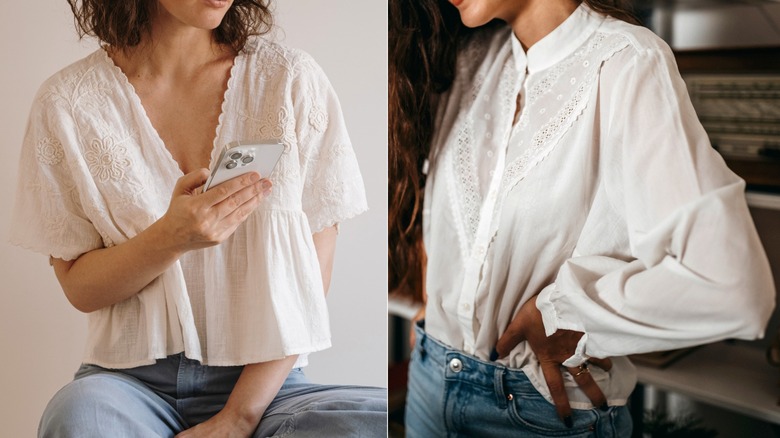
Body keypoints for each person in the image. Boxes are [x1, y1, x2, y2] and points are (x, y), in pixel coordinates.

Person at [389, 0, 776, 436]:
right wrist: (432, 315)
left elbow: (731, 287)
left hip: (538, 413)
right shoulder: (466, 60)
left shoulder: (627, 62)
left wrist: (566, 314)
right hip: (428, 381)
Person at [10, 0, 387, 436]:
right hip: (127, 385)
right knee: (76, 419)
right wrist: (170, 238)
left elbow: (310, 275)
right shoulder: (68, 104)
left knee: (370, 423)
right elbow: (79, 286)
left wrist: (239, 417)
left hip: (269, 389)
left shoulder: (288, 79)